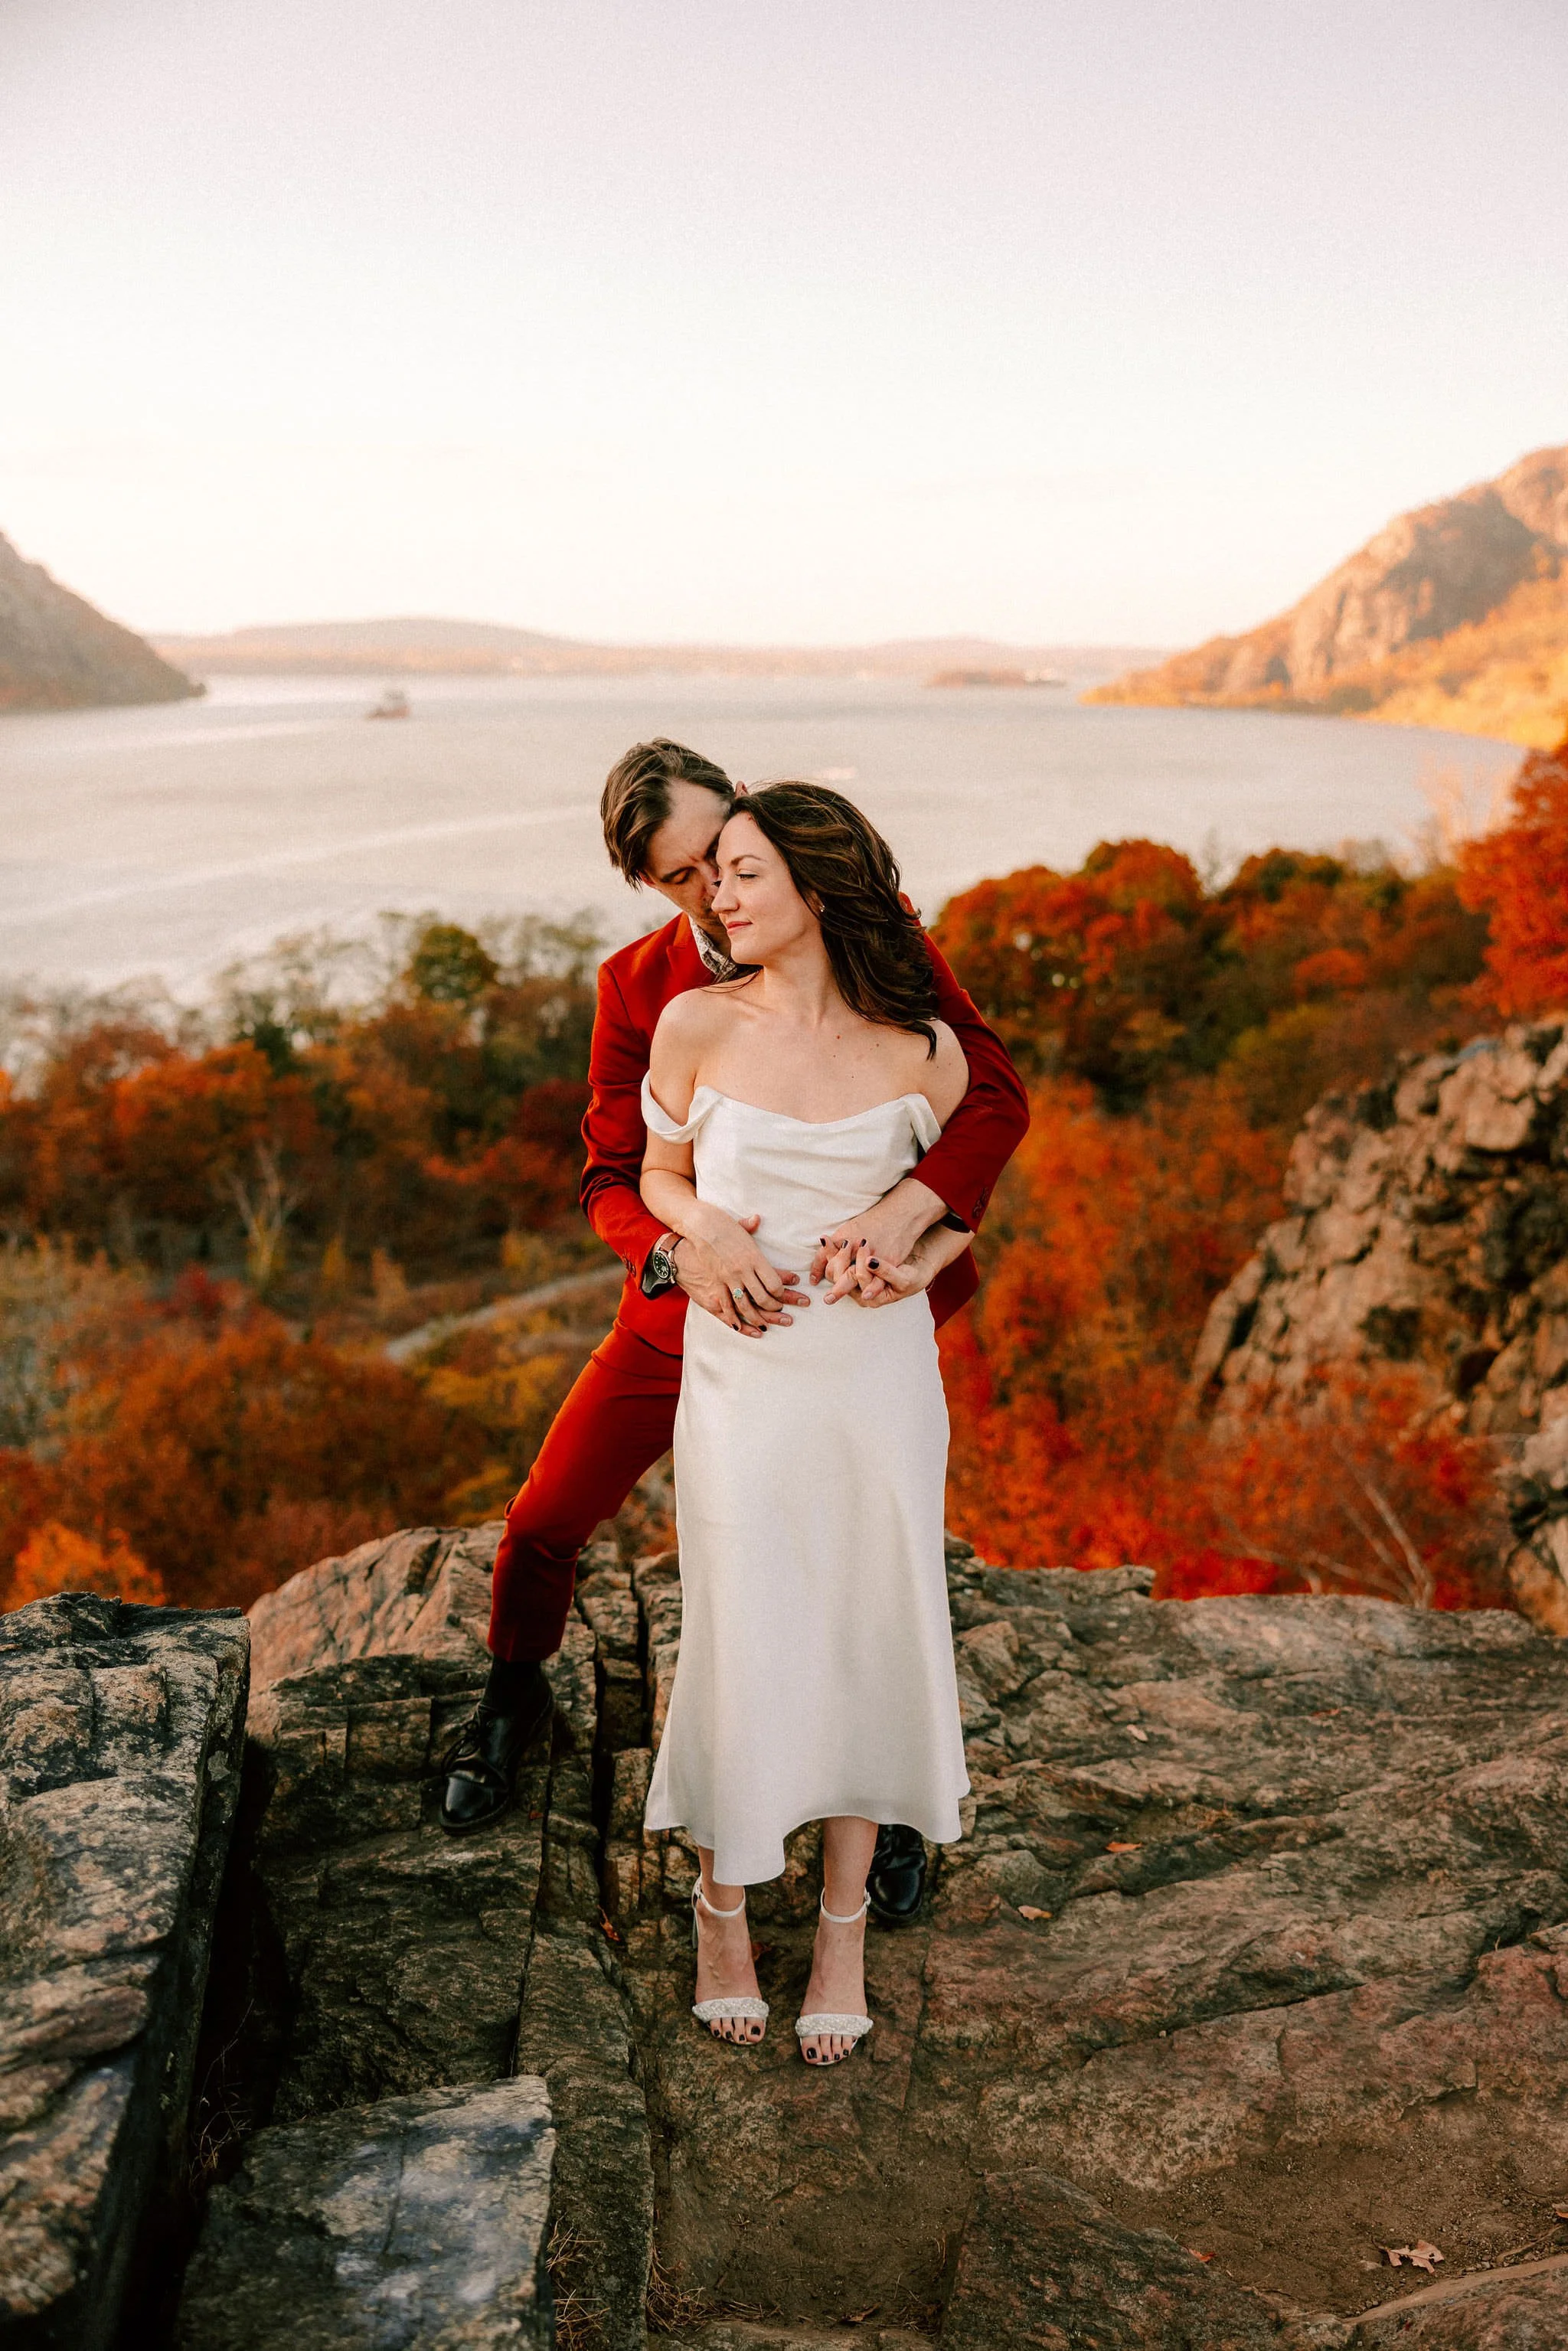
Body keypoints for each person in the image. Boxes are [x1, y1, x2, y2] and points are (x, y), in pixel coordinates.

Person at [439, 740, 1029, 1927]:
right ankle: (512, 1693)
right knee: (545, 1517)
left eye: (723, 852)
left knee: (874, 1554)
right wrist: (684, 1247)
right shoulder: (636, 988)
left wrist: (918, 1211)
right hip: (687, 1317)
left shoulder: (866, 927)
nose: (714, 887)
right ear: (648, 888)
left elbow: (992, 1086)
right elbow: (614, 1173)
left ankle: (896, 1801)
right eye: (680, 875)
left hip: (856, 1318)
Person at [639, 782, 976, 2065]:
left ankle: (841, 1930)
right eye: (715, 875)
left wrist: (922, 1250)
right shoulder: (693, 1025)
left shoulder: (924, 1050)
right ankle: (721, 1903)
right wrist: (703, 1228)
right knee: (749, 1628)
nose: (715, 898)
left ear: (818, 891)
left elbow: (959, 1207)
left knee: (865, 1630)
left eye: (740, 874)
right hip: (744, 1380)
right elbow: (655, 1170)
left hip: (878, 1381)